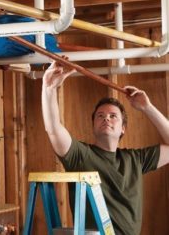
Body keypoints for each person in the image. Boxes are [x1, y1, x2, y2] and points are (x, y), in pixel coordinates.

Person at [41, 60, 169, 235]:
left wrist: (148, 108)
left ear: (123, 128)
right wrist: (48, 89)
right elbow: (53, 129)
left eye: (113, 116)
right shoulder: (81, 155)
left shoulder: (136, 159)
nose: (106, 119)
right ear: (93, 125)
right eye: (100, 116)